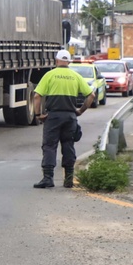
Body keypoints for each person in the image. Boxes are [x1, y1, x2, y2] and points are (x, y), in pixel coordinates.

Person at [32, 49, 94, 189]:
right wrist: (80, 111)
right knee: (68, 145)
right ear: (69, 62)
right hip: (70, 117)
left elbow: (37, 96)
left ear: (56, 60)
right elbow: (91, 95)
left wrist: (38, 115)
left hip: (53, 116)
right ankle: (68, 179)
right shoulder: (75, 76)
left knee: (49, 146)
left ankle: (48, 178)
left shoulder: (50, 75)